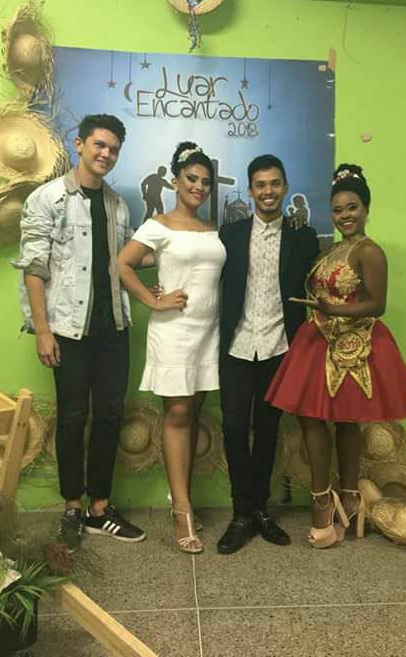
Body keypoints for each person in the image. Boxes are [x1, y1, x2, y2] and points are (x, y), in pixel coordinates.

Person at [266, 163, 406, 548]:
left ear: (366, 208)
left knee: (346, 420)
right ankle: (328, 500)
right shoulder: (333, 249)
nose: (345, 215)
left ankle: (346, 501)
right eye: (337, 210)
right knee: (313, 417)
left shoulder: (371, 251)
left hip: (355, 345)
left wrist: (334, 309)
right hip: (320, 340)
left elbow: (377, 305)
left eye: (352, 207)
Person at [14, 114, 145, 550]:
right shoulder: (47, 198)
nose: (105, 154)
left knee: (109, 416)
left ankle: (100, 509)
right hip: (68, 330)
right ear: (79, 144)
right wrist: (42, 330)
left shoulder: (118, 206)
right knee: (72, 418)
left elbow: (125, 261)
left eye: (113, 149)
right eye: (99, 145)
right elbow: (34, 268)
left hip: (114, 328)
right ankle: (72, 507)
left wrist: (171, 255)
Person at [117, 141, 226, 554]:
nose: (198, 187)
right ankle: (182, 508)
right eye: (191, 179)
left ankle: (181, 496)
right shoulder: (158, 225)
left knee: (193, 409)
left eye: (205, 181)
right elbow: (123, 263)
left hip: (208, 330)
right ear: (176, 182)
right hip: (173, 330)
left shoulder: (213, 228)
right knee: (178, 412)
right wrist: (153, 300)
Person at [217, 154, 320, 554]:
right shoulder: (230, 234)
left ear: (285, 187)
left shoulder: (302, 238)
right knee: (233, 428)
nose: (268, 191)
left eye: (275, 183)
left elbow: (324, 282)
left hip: (280, 347)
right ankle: (240, 513)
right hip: (237, 345)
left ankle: (259, 510)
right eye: (261, 185)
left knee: (268, 430)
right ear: (250, 190)